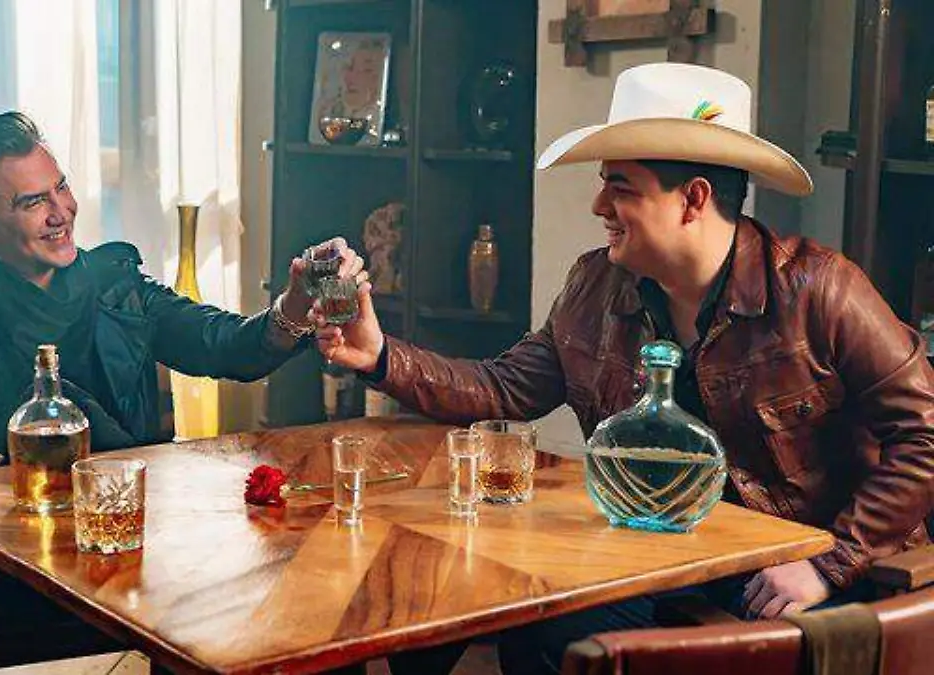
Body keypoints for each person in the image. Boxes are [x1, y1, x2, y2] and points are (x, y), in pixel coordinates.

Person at [313, 63, 934, 674]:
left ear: (693, 199)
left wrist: (827, 563)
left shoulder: (820, 290)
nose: (598, 205)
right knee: (534, 619)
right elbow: (504, 389)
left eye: (621, 187)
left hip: (813, 574)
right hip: (667, 557)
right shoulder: (596, 284)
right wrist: (379, 355)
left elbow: (924, 436)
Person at [0, 110, 357, 612]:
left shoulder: (117, 284)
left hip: (122, 535)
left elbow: (228, 345)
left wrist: (296, 302)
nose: (60, 213)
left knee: (269, 584)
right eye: (33, 202)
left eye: (61, 188)